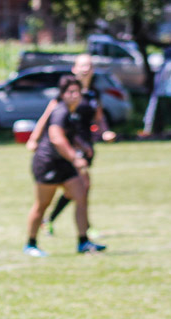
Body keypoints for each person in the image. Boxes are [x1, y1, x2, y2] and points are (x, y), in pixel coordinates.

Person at [27, 54, 116, 236]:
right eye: (82, 65)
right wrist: (34, 138)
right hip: (65, 150)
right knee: (80, 187)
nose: (86, 69)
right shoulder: (67, 93)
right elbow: (50, 123)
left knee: (78, 189)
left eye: (89, 65)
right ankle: (80, 229)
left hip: (83, 145)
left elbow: (98, 117)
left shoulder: (93, 94)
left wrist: (104, 131)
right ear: (74, 69)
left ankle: (70, 228)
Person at [24, 75, 105, 257]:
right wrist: (75, 158)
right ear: (62, 94)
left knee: (80, 195)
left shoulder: (71, 112)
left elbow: (69, 135)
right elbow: (56, 137)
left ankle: (83, 241)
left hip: (63, 162)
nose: (75, 95)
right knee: (42, 204)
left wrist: (83, 146)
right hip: (48, 163)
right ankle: (30, 244)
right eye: (70, 92)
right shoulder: (60, 111)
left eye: (77, 91)